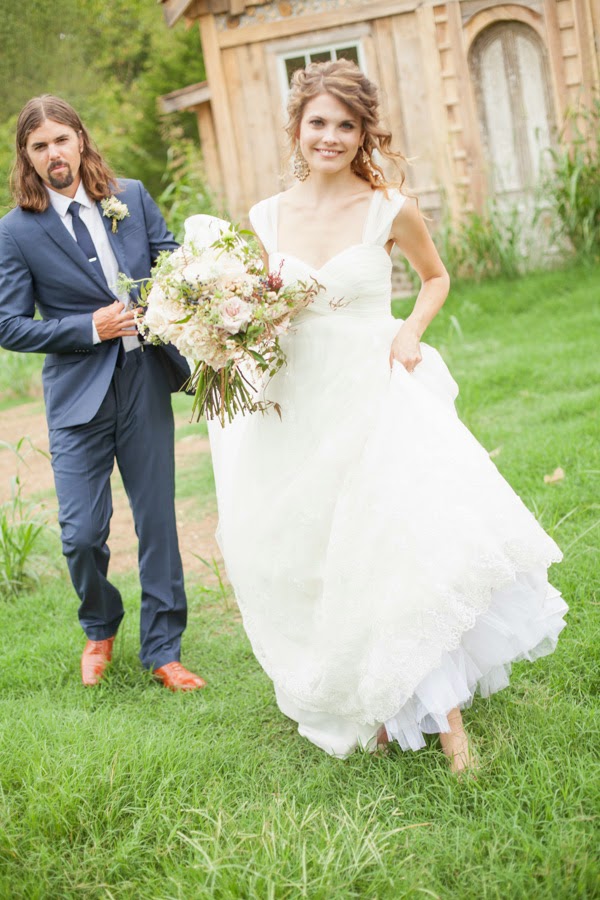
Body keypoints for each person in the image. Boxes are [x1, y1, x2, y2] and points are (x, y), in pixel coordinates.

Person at [207, 60, 568, 771]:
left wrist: (410, 332)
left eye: (346, 125)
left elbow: (436, 278)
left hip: (373, 388)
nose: (330, 137)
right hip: (296, 399)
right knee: (319, 549)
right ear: (297, 128)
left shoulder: (388, 208)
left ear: (364, 133)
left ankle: (450, 723)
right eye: (318, 122)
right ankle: (368, 693)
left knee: (396, 543)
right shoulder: (266, 217)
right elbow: (264, 306)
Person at [0, 95, 205, 691]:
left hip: (144, 379)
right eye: (40, 146)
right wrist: (90, 327)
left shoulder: (131, 196)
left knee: (157, 521)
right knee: (81, 535)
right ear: (27, 157)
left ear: (80, 139)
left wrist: (182, 294)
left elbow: (170, 260)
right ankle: (100, 624)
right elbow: (9, 324)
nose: (54, 154)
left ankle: (163, 648)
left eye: (61, 140)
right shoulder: (15, 231)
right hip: (76, 395)